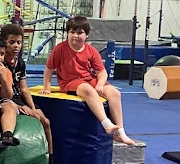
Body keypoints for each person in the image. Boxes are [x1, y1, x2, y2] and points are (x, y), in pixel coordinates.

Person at [43, 15, 137, 145]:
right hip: (69, 82)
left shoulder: (90, 50)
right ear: (67, 33)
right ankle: (106, 123)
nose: (75, 36)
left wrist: (100, 84)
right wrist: (47, 87)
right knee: (88, 90)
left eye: (79, 33)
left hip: (88, 79)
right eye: (72, 32)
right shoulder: (60, 49)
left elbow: (102, 72)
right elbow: (49, 69)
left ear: (86, 35)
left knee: (115, 93)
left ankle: (120, 132)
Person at [0, 23, 62, 164]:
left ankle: (51, 163)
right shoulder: (0, 63)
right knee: (36, 118)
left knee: (46, 121)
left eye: (19, 42)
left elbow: (24, 88)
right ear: (4, 42)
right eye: (12, 42)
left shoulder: (19, 62)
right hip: (8, 98)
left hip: (20, 97)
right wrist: (24, 109)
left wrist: (33, 107)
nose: (16, 46)